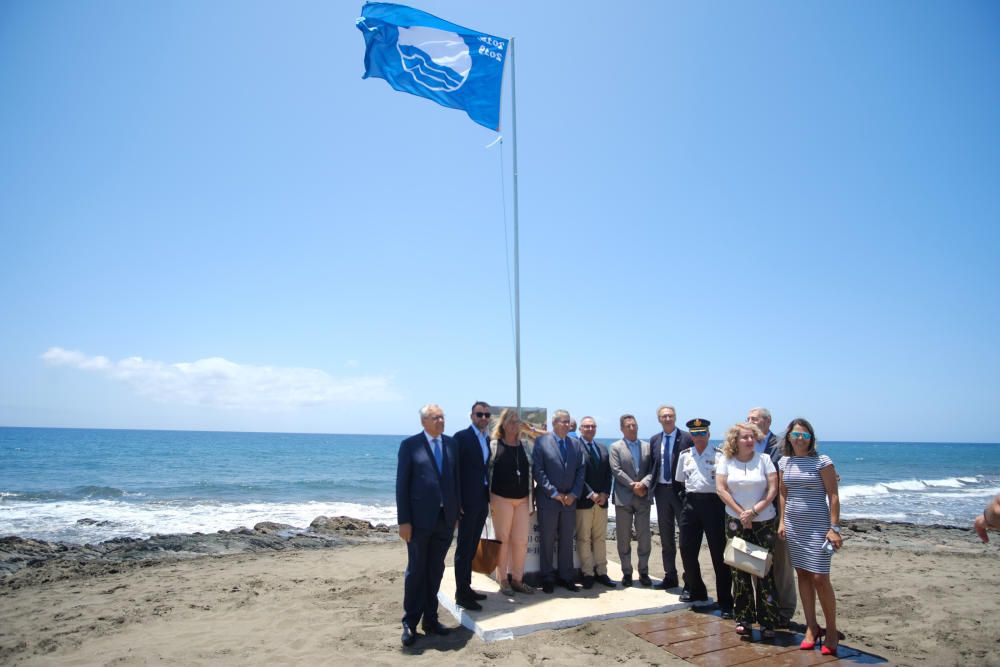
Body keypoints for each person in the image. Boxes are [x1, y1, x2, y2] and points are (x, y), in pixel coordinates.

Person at [395, 404, 460, 647]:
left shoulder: (452, 444)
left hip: (445, 520)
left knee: (436, 570)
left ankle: (430, 620)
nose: (441, 420)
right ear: (424, 422)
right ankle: (410, 622)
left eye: (443, 416)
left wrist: (456, 513)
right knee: (416, 571)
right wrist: (404, 521)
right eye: (435, 417)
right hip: (418, 522)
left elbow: (456, 481)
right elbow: (402, 485)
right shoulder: (410, 446)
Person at [778, 418, 843, 656]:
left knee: (819, 577)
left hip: (818, 527)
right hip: (794, 526)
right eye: (795, 435)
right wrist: (782, 521)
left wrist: (834, 528)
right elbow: (783, 494)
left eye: (804, 436)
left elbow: (833, 496)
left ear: (811, 438)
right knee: (803, 575)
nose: (799, 439)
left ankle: (832, 630)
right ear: (788, 438)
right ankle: (811, 627)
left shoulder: (822, 461)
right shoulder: (784, 461)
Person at [716, 422, 780, 639]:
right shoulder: (726, 460)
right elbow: (721, 489)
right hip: (735, 521)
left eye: (752, 437)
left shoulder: (765, 460)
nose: (749, 441)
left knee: (764, 570)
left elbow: (773, 489)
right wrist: (741, 513)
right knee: (739, 570)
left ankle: (768, 620)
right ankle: (744, 618)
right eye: (745, 437)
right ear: (735, 440)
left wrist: (753, 511)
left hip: (764, 521)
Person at [675, 418, 734, 617]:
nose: (698, 436)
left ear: (708, 435)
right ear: (690, 435)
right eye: (695, 433)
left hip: (714, 505)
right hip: (690, 505)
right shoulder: (684, 455)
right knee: (686, 549)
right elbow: (680, 483)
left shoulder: (720, 455)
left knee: (719, 555)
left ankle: (725, 602)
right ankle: (696, 590)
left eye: (702, 433)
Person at [748, 406, 795, 627]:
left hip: (778, 513)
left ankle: (785, 612)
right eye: (748, 418)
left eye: (755, 419)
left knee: (782, 566)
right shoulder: (744, 445)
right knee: (757, 563)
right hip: (753, 515)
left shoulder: (783, 445)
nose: (750, 421)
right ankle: (763, 609)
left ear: (767, 421)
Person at [532, 409, 586, 593]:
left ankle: (566, 576)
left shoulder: (576, 444)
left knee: (566, 540)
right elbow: (538, 470)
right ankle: (547, 577)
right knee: (547, 540)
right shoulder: (541, 442)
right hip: (549, 500)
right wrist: (553, 492)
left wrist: (574, 494)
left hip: (570, 501)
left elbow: (581, 471)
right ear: (554, 423)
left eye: (568, 421)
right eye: (563, 421)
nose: (567, 424)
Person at [487, 407, 536, 596]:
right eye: (511, 421)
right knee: (503, 540)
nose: (515, 425)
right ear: (503, 424)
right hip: (501, 499)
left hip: (523, 500)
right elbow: (486, 473)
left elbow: (546, 440)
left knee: (521, 540)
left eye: (517, 421)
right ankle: (503, 580)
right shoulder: (493, 445)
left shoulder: (526, 445)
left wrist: (529, 429)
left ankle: (518, 580)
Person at [452, 401, 492, 611]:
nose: (483, 418)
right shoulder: (461, 438)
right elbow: (453, 472)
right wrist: (456, 502)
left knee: (471, 548)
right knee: (464, 548)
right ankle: (461, 593)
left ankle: (467, 588)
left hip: (481, 500)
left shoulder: (487, 438)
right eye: (479, 414)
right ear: (471, 416)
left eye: (487, 415)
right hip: (466, 502)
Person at [650, 405, 692, 590]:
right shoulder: (654, 440)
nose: (667, 419)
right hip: (661, 492)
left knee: (686, 538)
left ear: (675, 418)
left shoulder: (687, 438)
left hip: (681, 493)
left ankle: (689, 578)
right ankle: (670, 576)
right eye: (664, 416)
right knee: (666, 537)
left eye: (670, 416)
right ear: (659, 419)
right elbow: (652, 467)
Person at [610, 414, 655, 586]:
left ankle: (643, 571)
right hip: (624, 497)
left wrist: (643, 484)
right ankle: (627, 572)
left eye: (634, 425)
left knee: (644, 536)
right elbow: (616, 470)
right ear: (622, 428)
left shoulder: (647, 446)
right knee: (623, 537)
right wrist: (632, 485)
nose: (632, 428)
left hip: (643, 496)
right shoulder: (615, 447)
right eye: (628, 426)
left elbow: (653, 469)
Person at [576, 416, 615, 588]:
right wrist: (590, 493)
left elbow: (608, 473)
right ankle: (588, 573)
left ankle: (602, 572)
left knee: (600, 538)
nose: (590, 429)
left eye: (593, 426)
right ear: (580, 429)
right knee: (584, 538)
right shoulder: (575, 447)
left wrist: (606, 493)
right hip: (584, 501)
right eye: (586, 426)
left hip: (602, 501)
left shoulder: (602, 448)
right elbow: (577, 475)